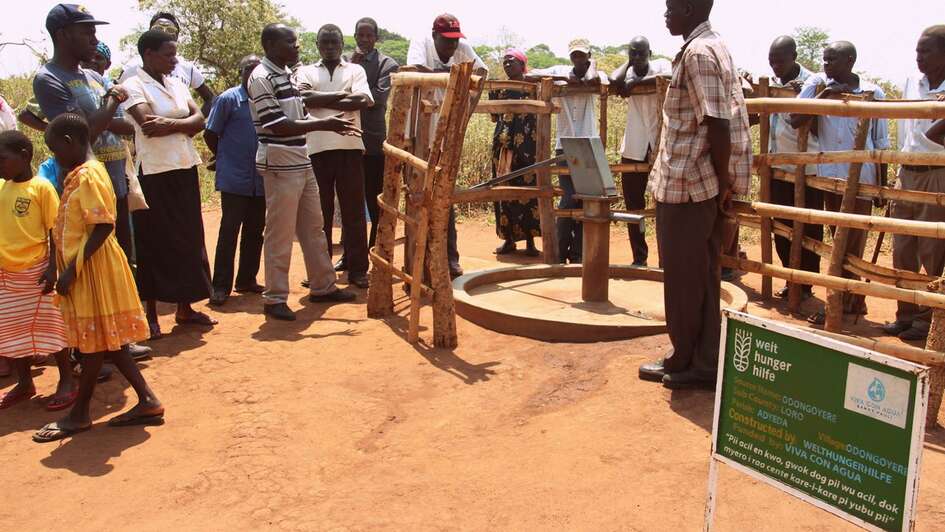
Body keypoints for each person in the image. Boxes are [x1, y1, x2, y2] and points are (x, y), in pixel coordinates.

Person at [638, 0, 752, 390]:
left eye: (671, 7)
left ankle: (684, 357)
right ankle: (704, 360)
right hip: (698, 182)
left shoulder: (699, 53)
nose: (666, 14)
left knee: (684, 278)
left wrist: (723, 182)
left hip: (689, 183)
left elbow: (717, 122)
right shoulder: (712, 46)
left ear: (688, 9)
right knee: (702, 275)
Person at [34, 114, 163, 443]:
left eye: (55, 150)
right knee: (106, 340)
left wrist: (70, 270)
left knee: (94, 344)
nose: (54, 157)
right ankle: (148, 400)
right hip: (88, 267)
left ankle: (79, 414)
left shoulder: (89, 174)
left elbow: (103, 226)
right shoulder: (83, 173)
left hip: (92, 269)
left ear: (69, 142)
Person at [248, 24, 359, 321]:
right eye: (291, 42)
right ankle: (274, 298)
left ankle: (323, 286)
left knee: (314, 228)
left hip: (300, 158)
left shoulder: (287, 74)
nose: (297, 46)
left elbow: (299, 114)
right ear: (271, 45)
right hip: (280, 161)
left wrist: (328, 121)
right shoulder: (261, 78)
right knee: (280, 233)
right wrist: (325, 124)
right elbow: (277, 125)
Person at [122, 30, 215, 338]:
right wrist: (184, 125)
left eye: (175, 54)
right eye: (168, 54)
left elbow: (200, 120)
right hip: (154, 172)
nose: (175, 60)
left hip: (184, 166)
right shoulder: (133, 86)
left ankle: (184, 308)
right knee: (154, 241)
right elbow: (149, 125)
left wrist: (172, 125)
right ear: (148, 54)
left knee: (188, 238)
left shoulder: (176, 83)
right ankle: (151, 316)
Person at [790, 41, 890, 324]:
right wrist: (825, 95)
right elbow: (795, 117)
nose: (826, 65)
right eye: (824, 60)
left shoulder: (872, 93)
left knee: (852, 245)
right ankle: (851, 301)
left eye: (832, 60)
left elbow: (881, 141)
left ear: (849, 61)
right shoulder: (818, 84)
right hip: (830, 177)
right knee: (838, 242)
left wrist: (882, 186)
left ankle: (843, 303)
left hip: (862, 180)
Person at [34, 4, 135, 261]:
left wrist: (98, 118)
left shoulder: (93, 76)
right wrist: (112, 100)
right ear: (63, 34)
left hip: (116, 184)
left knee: (123, 262)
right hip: (86, 194)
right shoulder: (49, 79)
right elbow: (81, 137)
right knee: (93, 268)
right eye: (87, 32)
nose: (95, 39)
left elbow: (127, 126)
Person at [407, 13, 488, 279]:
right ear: (434, 36)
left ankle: (448, 257)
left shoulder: (462, 48)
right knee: (418, 197)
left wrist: (465, 113)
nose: (452, 46)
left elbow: (481, 73)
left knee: (444, 199)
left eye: (455, 40)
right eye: (447, 40)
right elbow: (417, 71)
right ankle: (416, 264)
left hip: (446, 135)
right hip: (418, 133)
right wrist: (456, 76)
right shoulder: (420, 44)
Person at [0, 130, 75, 411]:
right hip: (7, 273)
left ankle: (67, 380)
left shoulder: (41, 188)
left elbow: (55, 231)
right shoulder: (2, 187)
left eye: (2, 159)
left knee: (53, 327)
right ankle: (24, 382)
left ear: (24, 156)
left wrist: (53, 268)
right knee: (11, 329)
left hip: (37, 271)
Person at [296, 24, 374, 289]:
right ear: (317, 45)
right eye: (325, 42)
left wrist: (320, 100)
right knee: (319, 215)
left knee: (354, 212)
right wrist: (343, 96)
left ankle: (358, 270)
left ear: (342, 44)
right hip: (316, 148)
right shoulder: (305, 71)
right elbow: (303, 99)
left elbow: (362, 101)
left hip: (350, 146)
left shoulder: (355, 70)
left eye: (334, 42)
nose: (330, 47)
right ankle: (320, 271)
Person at [883, 26, 945, 342]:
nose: (919, 56)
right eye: (918, 50)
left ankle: (925, 318)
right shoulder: (911, 83)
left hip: (937, 172)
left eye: (926, 51)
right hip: (906, 171)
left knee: (931, 249)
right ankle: (904, 313)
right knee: (902, 248)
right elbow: (906, 129)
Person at [527, 38, 609, 264]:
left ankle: (579, 253)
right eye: (574, 55)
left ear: (589, 56)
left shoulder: (596, 73)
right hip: (564, 145)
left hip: (588, 145)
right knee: (567, 198)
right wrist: (563, 79)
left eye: (582, 55)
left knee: (586, 200)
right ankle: (560, 251)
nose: (578, 59)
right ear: (570, 56)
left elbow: (598, 79)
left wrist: (588, 71)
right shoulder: (560, 71)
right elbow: (530, 75)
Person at [205, 55, 266, 307]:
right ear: (241, 72)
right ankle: (220, 287)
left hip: (260, 178)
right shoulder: (228, 99)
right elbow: (210, 133)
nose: (252, 74)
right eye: (248, 69)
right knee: (229, 231)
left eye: (257, 70)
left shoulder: (266, 100)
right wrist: (224, 157)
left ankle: (246, 280)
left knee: (255, 231)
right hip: (234, 178)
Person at [765, 35, 823, 300]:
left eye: (780, 60)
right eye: (772, 61)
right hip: (778, 165)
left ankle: (806, 283)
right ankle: (790, 277)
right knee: (781, 225)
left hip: (806, 168)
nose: (775, 66)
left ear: (794, 57)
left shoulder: (812, 82)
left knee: (809, 227)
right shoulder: (771, 82)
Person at [609, 36, 671, 266]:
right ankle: (639, 256)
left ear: (650, 53)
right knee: (633, 204)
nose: (637, 57)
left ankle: (665, 258)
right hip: (634, 145)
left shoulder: (661, 65)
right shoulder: (626, 72)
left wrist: (636, 83)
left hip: (660, 144)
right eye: (632, 53)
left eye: (640, 53)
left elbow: (671, 76)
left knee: (664, 203)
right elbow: (612, 79)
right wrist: (629, 65)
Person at [345, 17, 399, 268]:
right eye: (361, 35)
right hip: (346, 139)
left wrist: (351, 84)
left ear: (376, 38)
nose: (365, 40)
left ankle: (374, 253)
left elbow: (377, 98)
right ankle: (350, 256)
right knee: (350, 203)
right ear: (355, 36)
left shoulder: (388, 64)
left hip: (373, 142)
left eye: (369, 35)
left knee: (374, 201)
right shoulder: (345, 60)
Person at [490, 49, 540, 256]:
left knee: (528, 192)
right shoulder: (498, 88)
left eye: (512, 61)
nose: (507, 64)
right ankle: (508, 240)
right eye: (505, 62)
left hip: (528, 147)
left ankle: (530, 242)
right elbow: (494, 117)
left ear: (522, 65)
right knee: (504, 192)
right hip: (503, 147)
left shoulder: (533, 87)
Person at [118, 12, 215, 116]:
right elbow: (119, 100)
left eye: (170, 30)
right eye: (158, 28)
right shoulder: (131, 67)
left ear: (177, 36)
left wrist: (194, 121)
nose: (164, 32)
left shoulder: (187, 68)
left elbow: (210, 99)